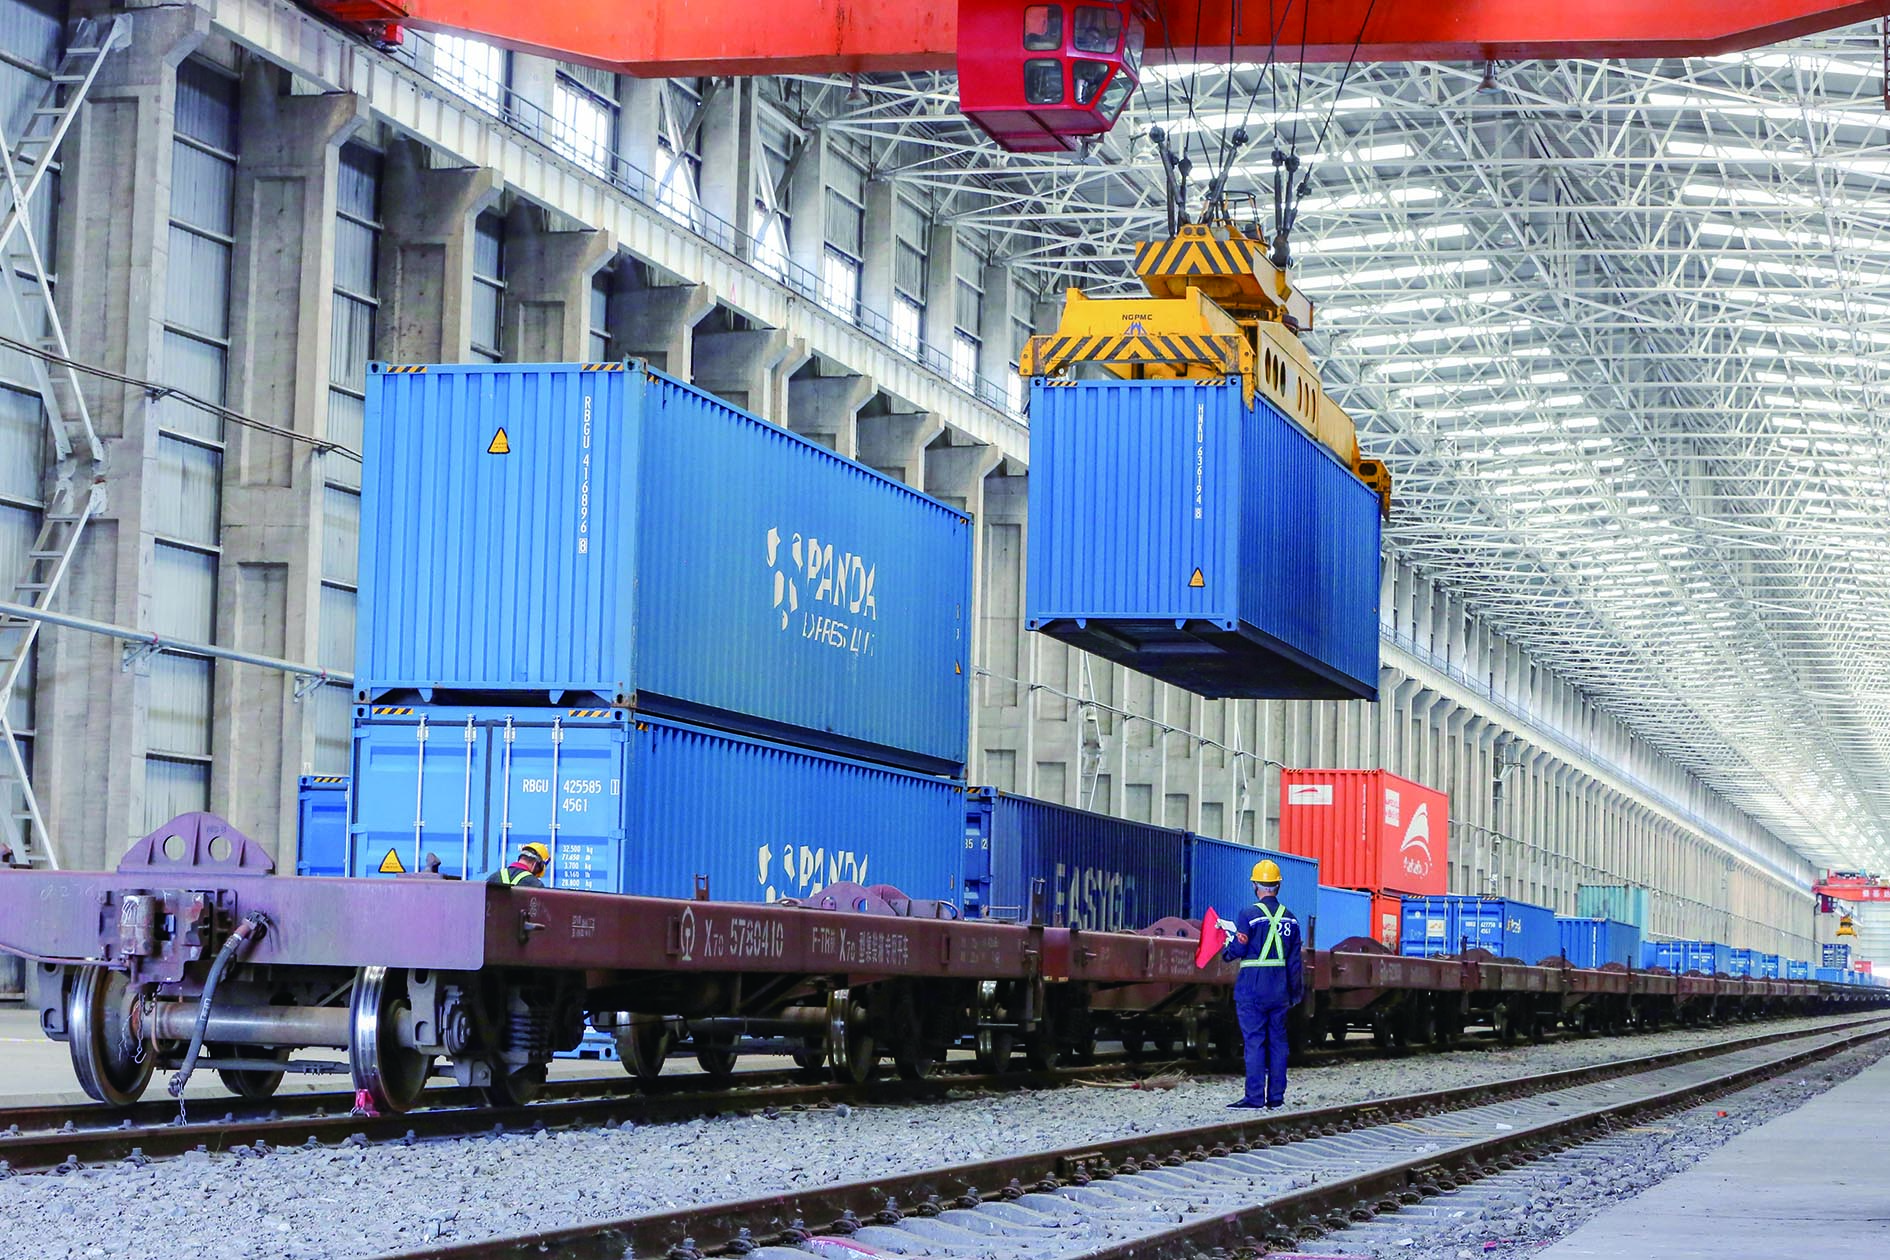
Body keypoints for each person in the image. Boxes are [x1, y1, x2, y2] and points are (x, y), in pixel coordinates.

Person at [1221, 858, 1304, 1109]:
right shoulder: (1291, 920)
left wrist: (1226, 949)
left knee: (1254, 1042)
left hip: (1252, 990)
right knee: (1278, 1043)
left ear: (1255, 885)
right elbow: (1295, 963)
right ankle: (1276, 1097)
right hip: (1279, 991)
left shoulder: (1248, 915)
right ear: (1278, 886)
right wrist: (1295, 993)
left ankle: (1255, 1097)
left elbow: (1238, 948)